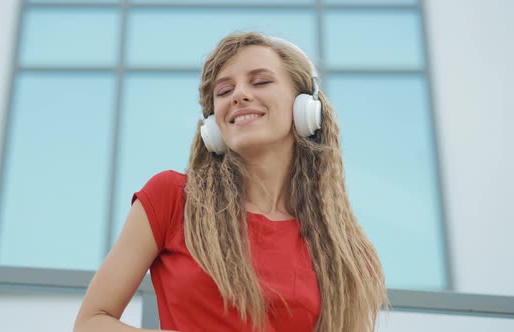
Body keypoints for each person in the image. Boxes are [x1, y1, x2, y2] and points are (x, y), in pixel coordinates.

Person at [74, 32, 388, 332]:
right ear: (212, 125)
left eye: (261, 81)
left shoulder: (348, 252)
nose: (239, 95)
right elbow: (91, 323)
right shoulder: (171, 199)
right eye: (224, 91)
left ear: (305, 107)